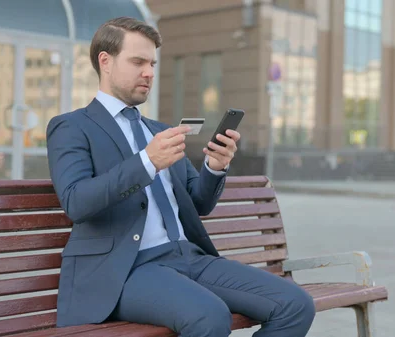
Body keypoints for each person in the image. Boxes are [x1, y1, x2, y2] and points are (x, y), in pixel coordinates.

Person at [46, 16, 315, 337]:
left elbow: (198, 202)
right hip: (123, 270)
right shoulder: (72, 126)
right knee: (209, 316)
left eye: (152, 63)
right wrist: (146, 162)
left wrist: (215, 166)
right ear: (105, 61)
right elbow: (76, 201)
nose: (149, 72)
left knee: (296, 304)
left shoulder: (159, 131)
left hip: (187, 256)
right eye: (137, 62)